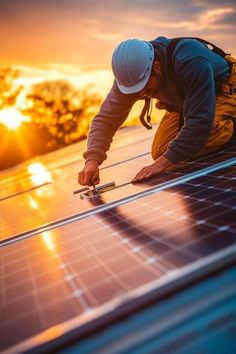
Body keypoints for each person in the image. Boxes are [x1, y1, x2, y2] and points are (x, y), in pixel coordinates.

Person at [78, 36, 236, 186]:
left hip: (223, 89)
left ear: (157, 67)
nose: (141, 94)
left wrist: (160, 165)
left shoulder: (189, 59)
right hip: (186, 100)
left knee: (199, 138)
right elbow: (106, 119)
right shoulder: (130, 76)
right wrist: (92, 160)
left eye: (144, 87)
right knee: (161, 151)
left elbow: (199, 122)